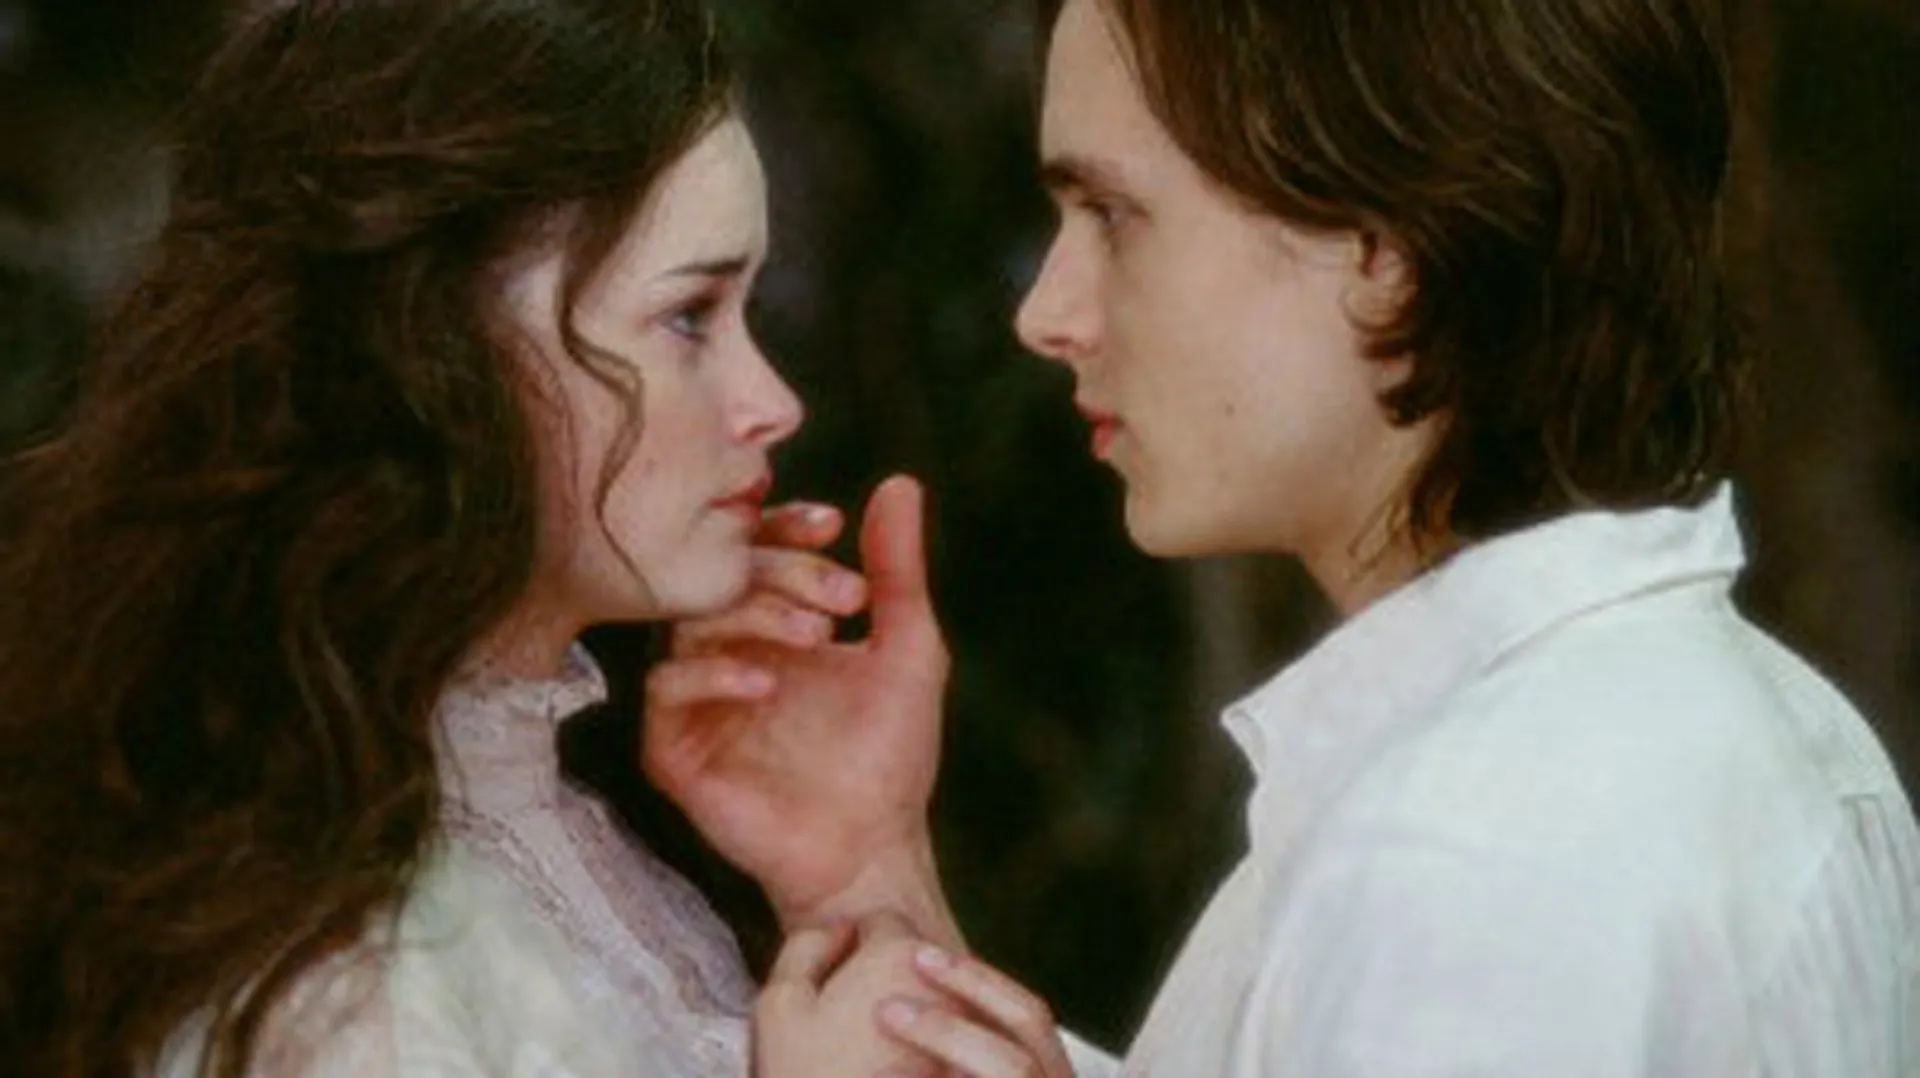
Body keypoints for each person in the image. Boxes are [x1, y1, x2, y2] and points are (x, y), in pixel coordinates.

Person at [644, 0, 1920, 1074]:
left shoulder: (1478, 854)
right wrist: (869, 874)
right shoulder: (1698, 729)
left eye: (1112, 215)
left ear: (1388, 246)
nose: (1047, 312)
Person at [0, 1, 949, 1075]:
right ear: (437, 347)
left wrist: (864, 865)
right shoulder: (336, 987)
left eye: (749, 314)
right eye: (690, 316)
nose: (773, 404)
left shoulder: (562, 821)